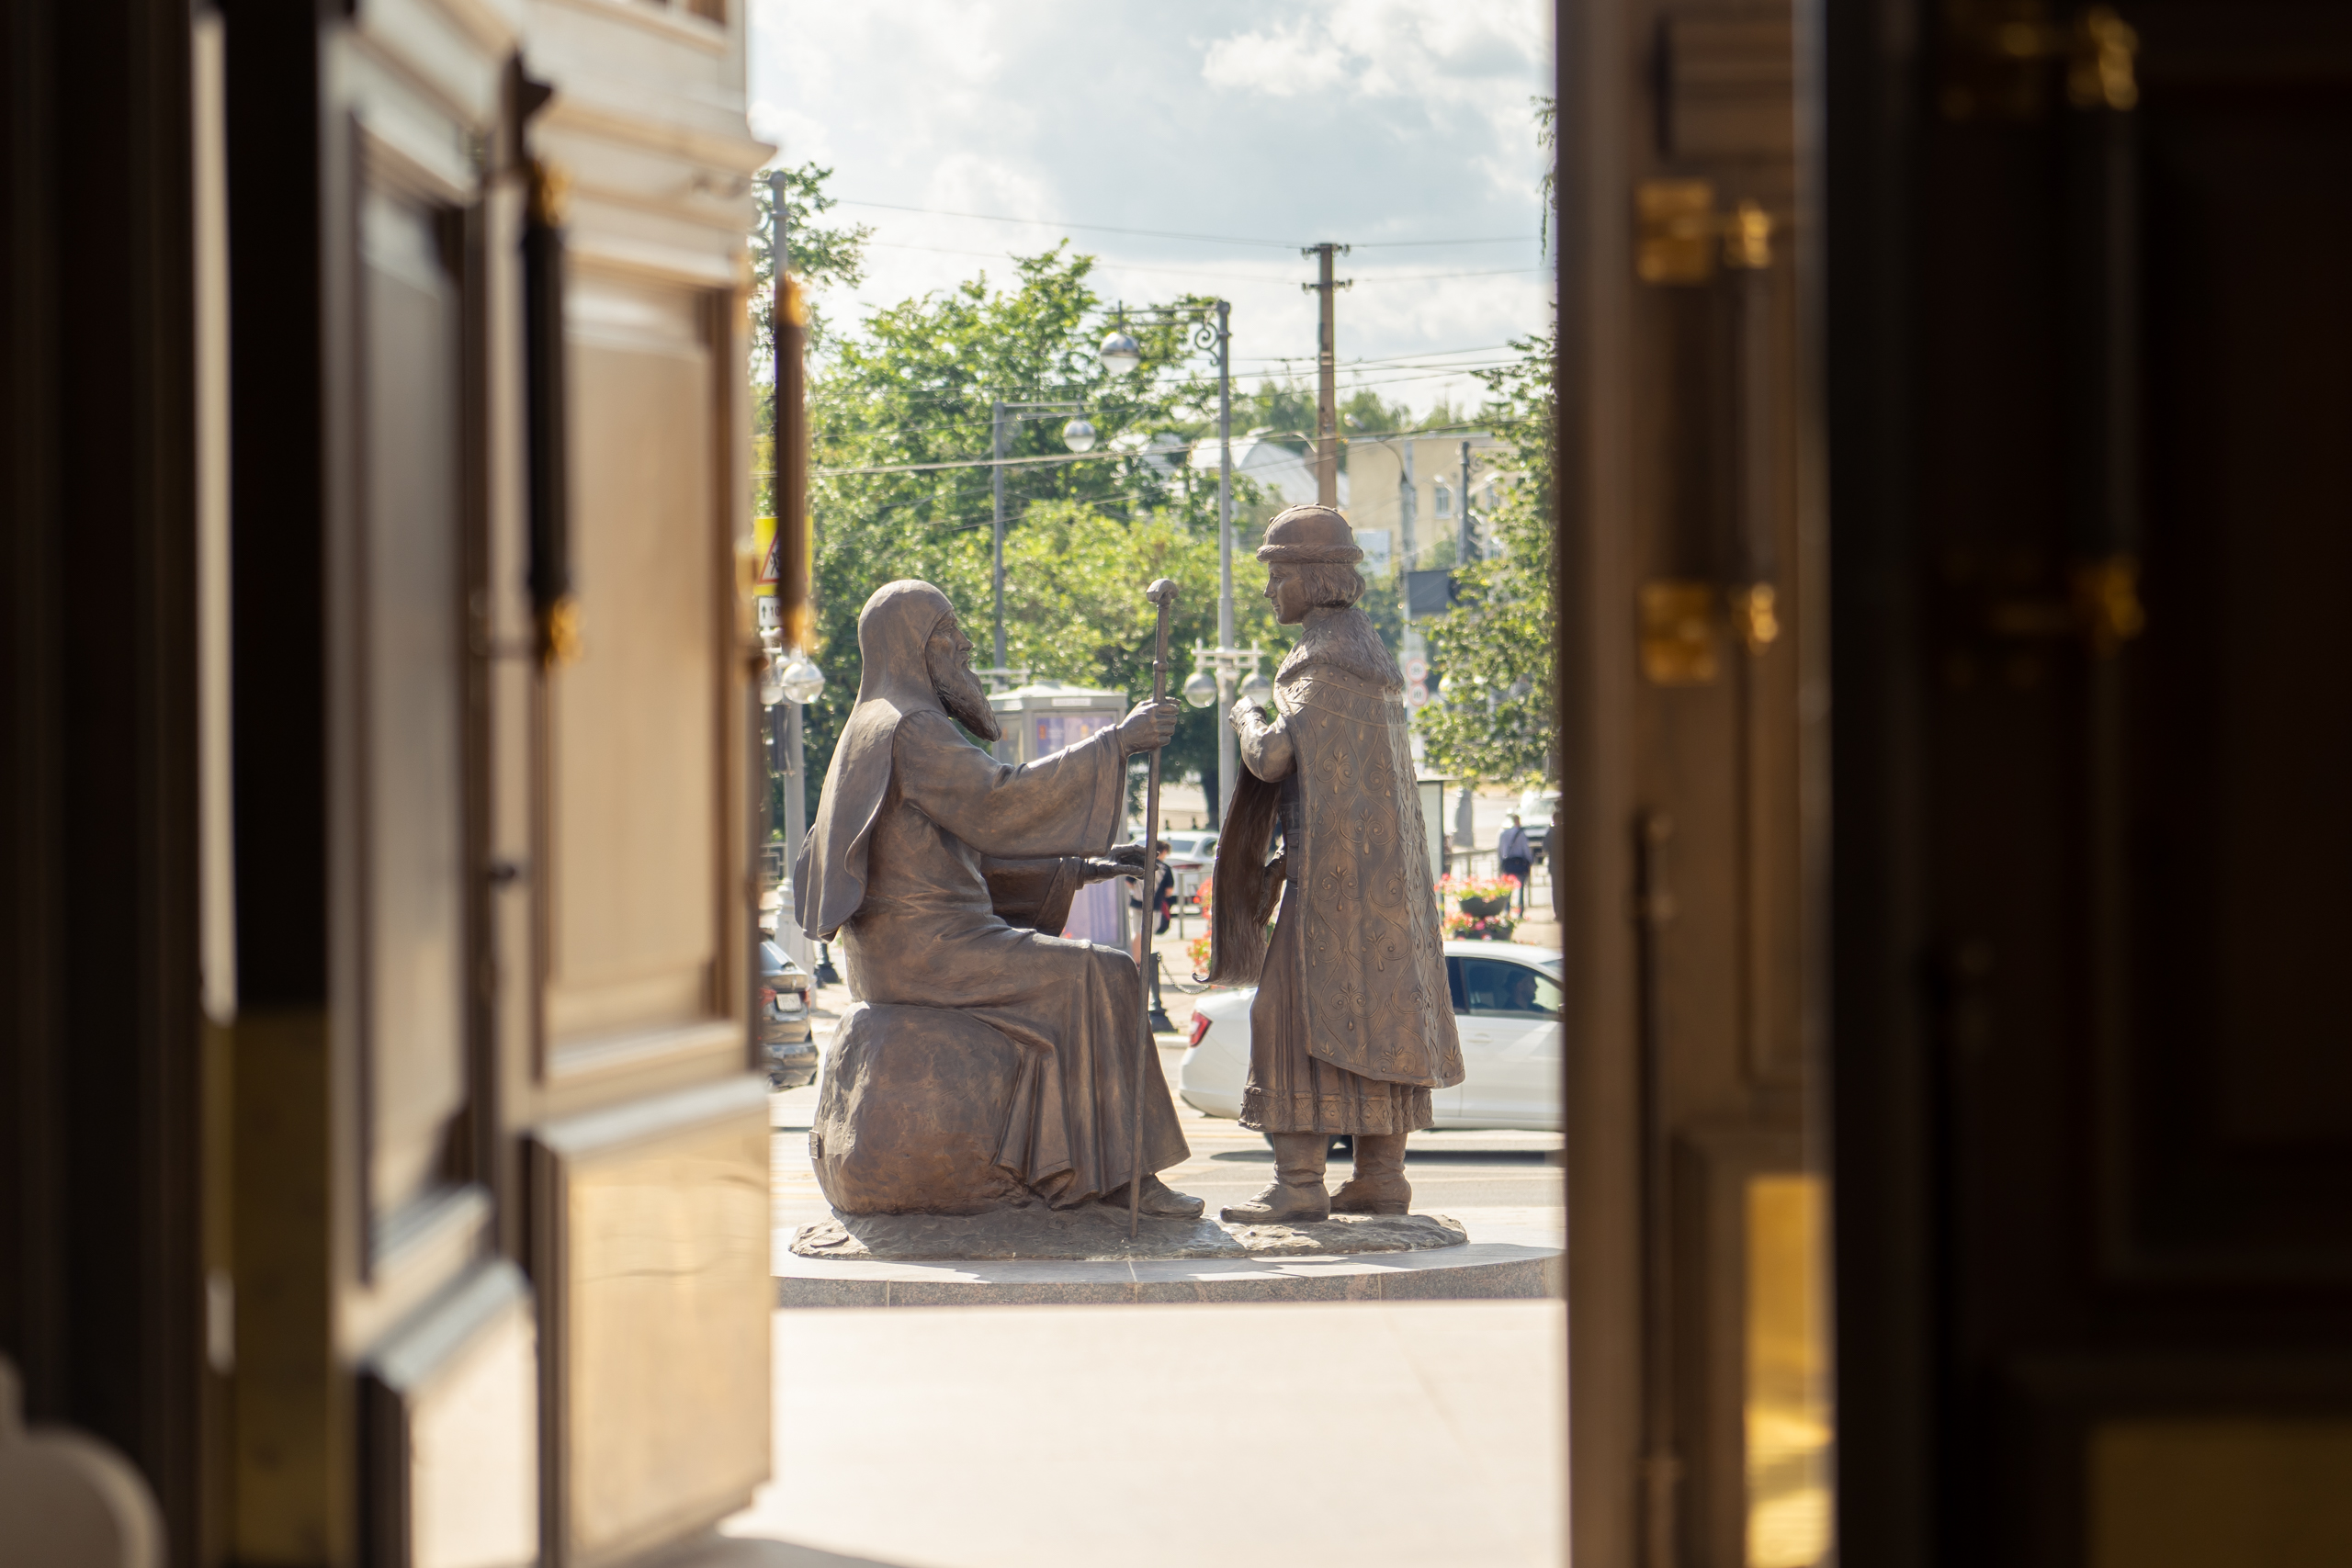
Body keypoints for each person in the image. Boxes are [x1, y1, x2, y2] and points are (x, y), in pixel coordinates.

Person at [795, 580, 1202, 1217]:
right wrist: (1116, 744)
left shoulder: (869, 727)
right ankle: (1126, 1181)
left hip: (903, 951)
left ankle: (1077, 1174)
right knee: (1107, 976)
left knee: (1081, 982)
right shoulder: (912, 727)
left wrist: (1085, 868)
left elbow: (962, 850)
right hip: (931, 949)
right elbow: (996, 803)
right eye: (947, 634)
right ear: (912, 646)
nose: (964, 645)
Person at [1208, 505, 1464, 1223]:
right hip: (1385, 892)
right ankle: (1382, 1176)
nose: (1269, 589)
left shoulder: (1321, 659)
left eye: (1277, 573)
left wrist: (1244, 714)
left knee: (1283, 1014)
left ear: (1313, 576)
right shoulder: (1373, 661)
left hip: (1329, 893)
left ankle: (1297, 1183)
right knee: (1384, 1017)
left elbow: (1273, 759)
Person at [1497, 812, 1533, 915]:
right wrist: (1530, 861)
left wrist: (1501, 863)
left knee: (1508, 888)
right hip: (1520, 862)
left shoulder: (1502, 834)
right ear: (1517, 821)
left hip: (1508, 863)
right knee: (1521, 888)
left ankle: (1507, 909)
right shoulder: (1520, 834)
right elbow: (1525, 850)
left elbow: (1500, 850)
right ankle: (1520, 911)